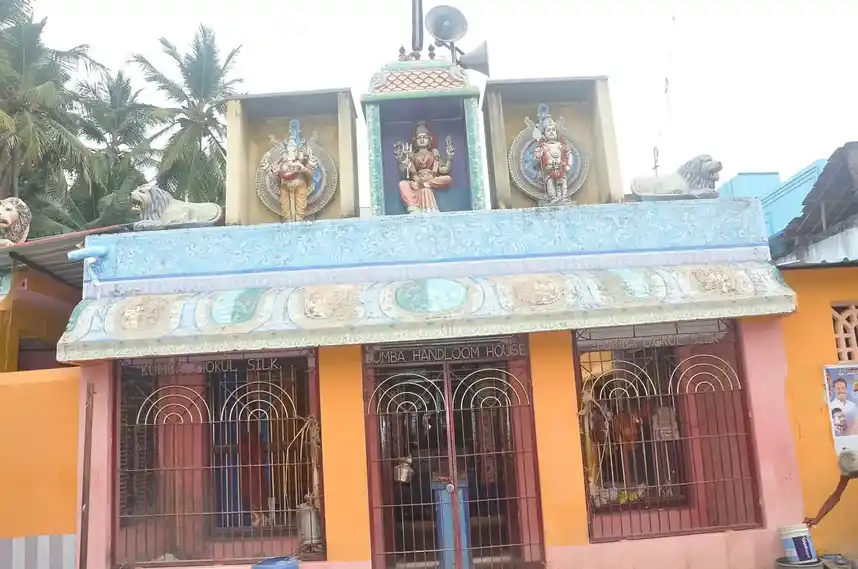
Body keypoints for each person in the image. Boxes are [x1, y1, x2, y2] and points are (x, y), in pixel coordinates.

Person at [804, 450, 858, 527]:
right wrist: (817, 519)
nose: (852, 477)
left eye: (854, 474)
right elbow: (835, 496)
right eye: (850, 475)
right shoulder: (847, 472)